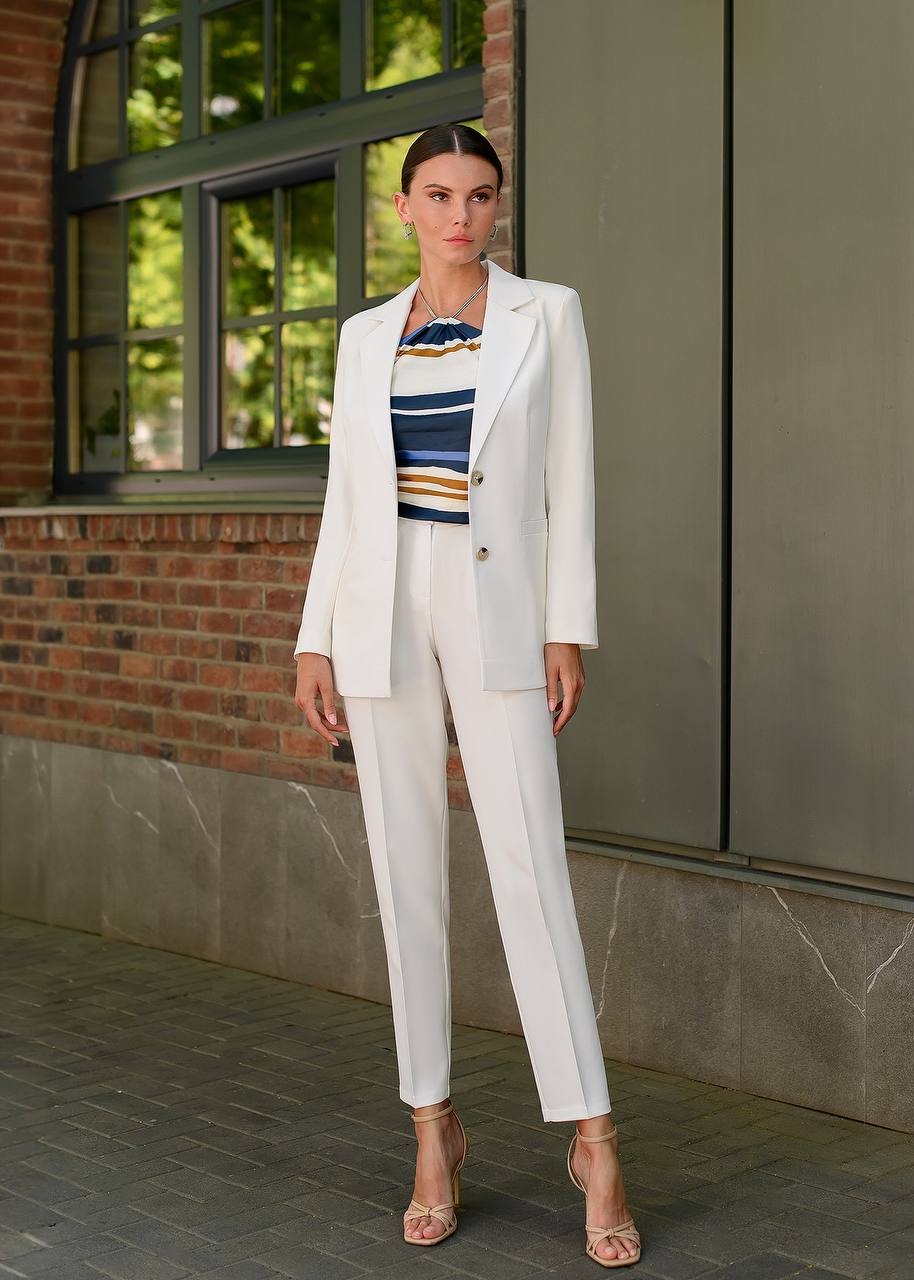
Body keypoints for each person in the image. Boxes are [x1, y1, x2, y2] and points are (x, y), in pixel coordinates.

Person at [292, 122, 640, 1268]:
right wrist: (314, 637)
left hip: (496, 603)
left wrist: (564, 626)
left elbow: (569, 481)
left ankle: (594, 1136)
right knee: (405, 870)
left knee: (529, 863)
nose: (459, 214)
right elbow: (346, 500)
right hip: (381, 601)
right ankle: (432, 1126)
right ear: (403, 208)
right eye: (437, 194)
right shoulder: (359, 337)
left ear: (498, 208)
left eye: (479, 196)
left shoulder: (550, 315)